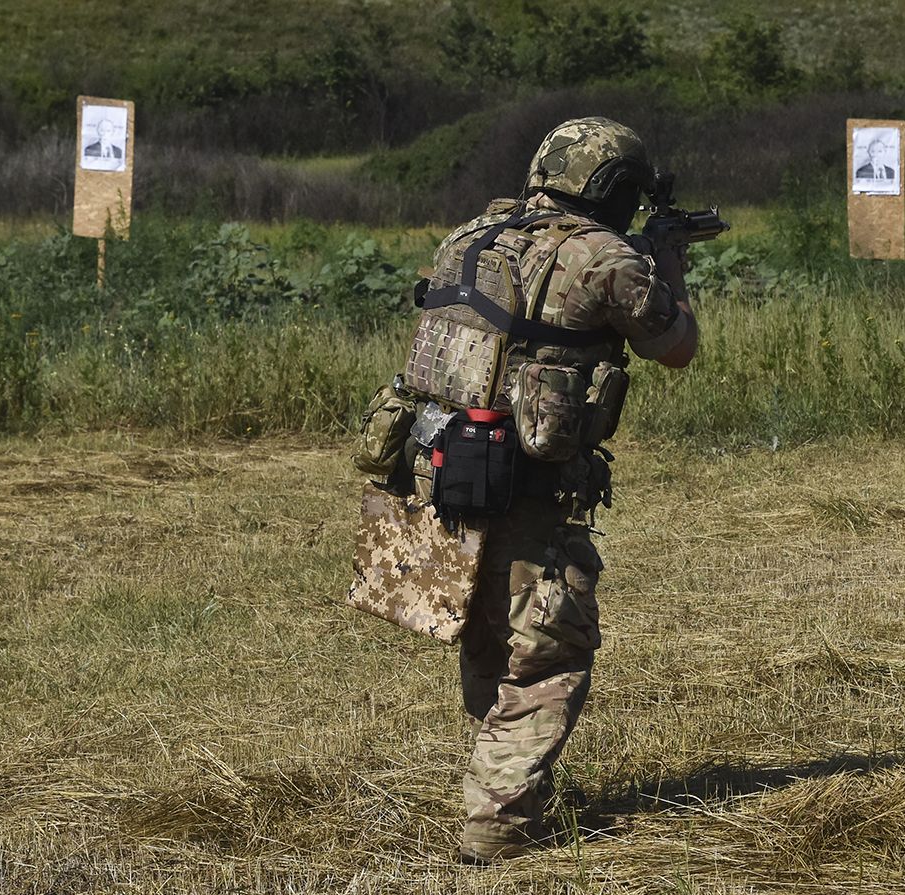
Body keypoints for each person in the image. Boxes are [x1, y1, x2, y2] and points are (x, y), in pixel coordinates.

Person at [400, 117, 698, 864]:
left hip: (443, 471)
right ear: (614, 190)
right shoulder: (607, 257)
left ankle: (503, 778)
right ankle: (497, 829)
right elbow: (676, 346)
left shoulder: (470, 235)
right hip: (530, 484)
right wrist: (668, 266)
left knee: (491, 636)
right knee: (548, 657)